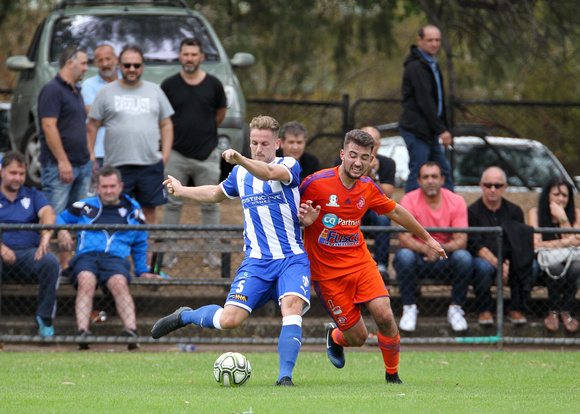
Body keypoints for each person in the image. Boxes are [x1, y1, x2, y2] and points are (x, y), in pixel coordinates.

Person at [151, 116, 313, 387]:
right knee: (229, 320)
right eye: (253, 143)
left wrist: (241, 159)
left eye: (264, 143)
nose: (259, 148)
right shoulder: (240, 174)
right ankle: (185, 315)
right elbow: (215, 192)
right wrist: (181, 190)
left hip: (291, 259)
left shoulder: (288, 165)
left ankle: (285, 377)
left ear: (278, 144)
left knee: (292, 307)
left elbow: (269, 174)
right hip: (257, 262)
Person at [300, 129, 446, 384]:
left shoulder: (368, 187)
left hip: (361, 265)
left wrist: (428, 238)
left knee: (386, 315)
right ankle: (334, 336)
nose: (358, 162)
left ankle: (392, 377)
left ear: (372, 160)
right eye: (353, 155)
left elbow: (397, 212)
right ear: (342, 154)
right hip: (327, 275)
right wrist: (303, 223)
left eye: (365, 157)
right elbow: (287, 211)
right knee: (357, 338)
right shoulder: (315, 183)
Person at [56, 166, 162, 349]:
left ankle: (131, 333)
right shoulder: (84, 205)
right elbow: (59, 218)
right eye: (104, 187)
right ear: (97, 187)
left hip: (115, 258)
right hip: (86, 257)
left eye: (112, 186)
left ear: (120, 186)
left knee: (119, 282)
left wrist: (142, 270)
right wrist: (62, 229)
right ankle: (83, 333)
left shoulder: (133, 209)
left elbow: (140, 242)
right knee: (86, 279)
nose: (109, 191)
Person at [87, 44, 174, 227]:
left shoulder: (155, 91)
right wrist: (92, 155)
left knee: (149, 215)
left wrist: (164, 156)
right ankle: (118, 255)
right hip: (117, 166)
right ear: (119, 65)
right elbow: (92, 125)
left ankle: (146, 256)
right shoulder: (106, 92)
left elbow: (166, 124)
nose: (132, 69)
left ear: (142, 66)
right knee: (116, 213)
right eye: (127, 65)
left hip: (149, 165)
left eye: (136, 65)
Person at [160, 38, 227, 269]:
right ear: (180, 56)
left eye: (193, 54)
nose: (189, 58)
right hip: (176, 154)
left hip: (207, 154)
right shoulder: (168, 85)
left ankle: (213, 255)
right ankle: (167, 255)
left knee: (211, 205)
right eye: (185, 54)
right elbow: (164, 119)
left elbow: (220, 115)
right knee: (172, 204)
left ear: (201, 57)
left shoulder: (214, 85)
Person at [393, 162, 472, 332]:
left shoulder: (456, 201)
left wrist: (439, 249)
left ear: (442, 179)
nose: (430, 181)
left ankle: (456, 309)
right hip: (417, 258)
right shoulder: (409, 199)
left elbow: (462, 240)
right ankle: (409, 308)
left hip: (445, 259)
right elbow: (403, 237)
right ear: (419, 181)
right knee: (403, 255)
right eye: (425, 177)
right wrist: (425, 249)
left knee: (464, 257)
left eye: (434, 176)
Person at [0, 151, 59, 337]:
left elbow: (48, 212)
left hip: (29, 255)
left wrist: (46, 236)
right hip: (1, 254)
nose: (18, 178)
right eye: (13, 173)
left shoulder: (33, 195)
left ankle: (45, 317)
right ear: (1, 171)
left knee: (50, 261)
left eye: (21, 174)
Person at [468, 167, 532, 325]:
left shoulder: (515, 211)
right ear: (481, 186)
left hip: (511, 258)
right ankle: (484, 310)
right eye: (488, 185)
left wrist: (508, 263)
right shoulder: (471, 211)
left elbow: (519, 243)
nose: (492, 189)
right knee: (481, 267)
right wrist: (498, 264)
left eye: (497, 185)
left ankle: (516, 309)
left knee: (527, 265)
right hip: (483, 259)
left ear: (505, 187)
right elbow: (475, 244)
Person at [38, 44, 93, 215]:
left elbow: (79, 124)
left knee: (78, 218)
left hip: (82, 164)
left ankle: (76, 243)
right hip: (59, 167)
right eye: (83, 64)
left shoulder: (75, 91)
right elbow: (48, 126)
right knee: (55, 217)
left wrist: (89, 156)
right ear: (70, 63)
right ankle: (52, 243)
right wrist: (62, 161)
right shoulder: (52, 90)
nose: (86, 68)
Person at [399, 24, 454, 193]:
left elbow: (438, 100)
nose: (434, 44)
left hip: (429, 130)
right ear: (420, 41)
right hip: (417, 129)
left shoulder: (432, 63)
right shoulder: (416, 66)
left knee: (443, 173)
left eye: (437, 40)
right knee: (419, 172)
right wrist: (441, 130)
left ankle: (450, 213)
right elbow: (425, 102)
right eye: (429, 40)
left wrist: (442, 127)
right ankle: (409, 217)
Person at [528, 177, 579, 333]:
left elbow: (577, 241)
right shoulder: (535, 213)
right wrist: (567, 242)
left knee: (577, 267)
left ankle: (566, 310)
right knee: (555, 268)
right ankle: (553, 311)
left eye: (565, 195)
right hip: (546, 264)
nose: (561, 198)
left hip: (571, 261)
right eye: (556, 194)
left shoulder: (576, 213)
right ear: (547, 195)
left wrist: (562, 217)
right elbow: (536, 244)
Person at [81, 43, 119, 166]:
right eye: (100, 60)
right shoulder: (88, 85)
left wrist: (104, 113)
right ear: (95, 63)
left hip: (126, 153)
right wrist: (125, 115)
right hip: (99, 152)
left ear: (116, 59)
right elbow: (93, 115)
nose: (105, 64)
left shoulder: (127, 82)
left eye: (108, 59)